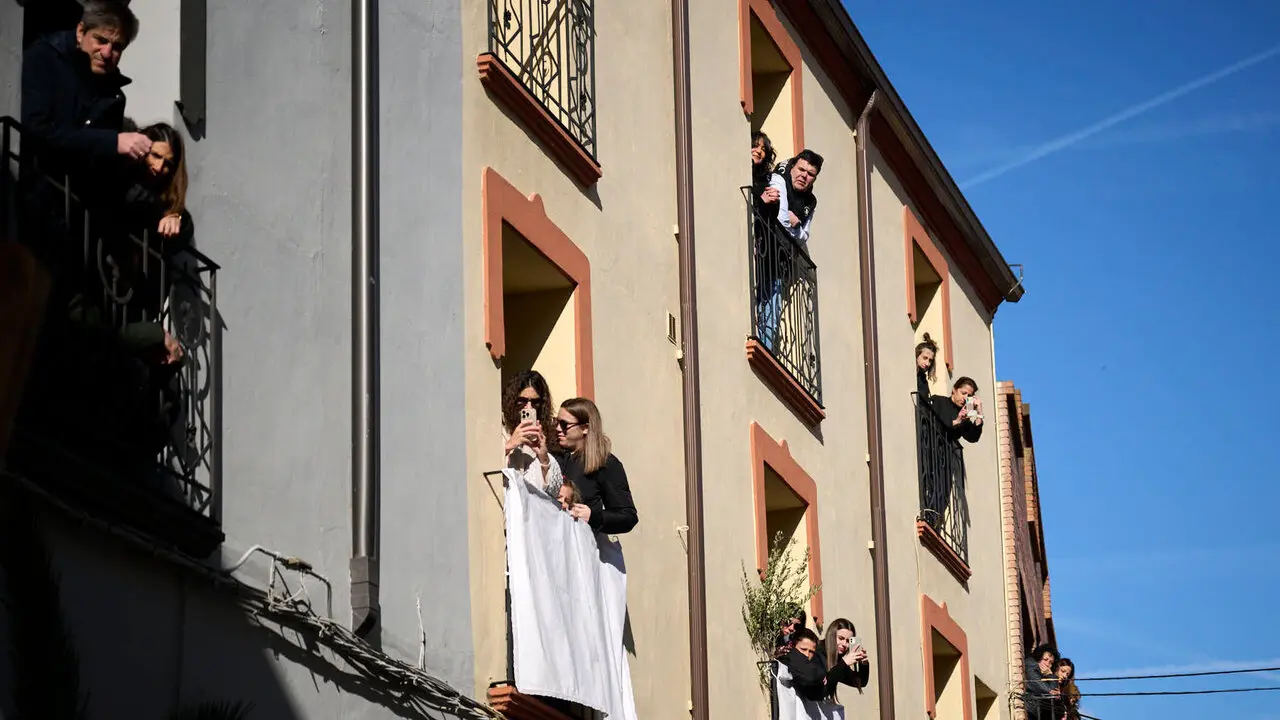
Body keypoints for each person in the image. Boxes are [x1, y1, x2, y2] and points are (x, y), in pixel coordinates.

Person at [21, 1, 148, 187]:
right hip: (35, 196)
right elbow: (38, 130)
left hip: (78, 207)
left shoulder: (114, 96)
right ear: (81, 32)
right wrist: (112, 142)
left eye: (117, 47)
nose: (106, 53)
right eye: (101, 40)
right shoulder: (45, 57)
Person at [554, 397, 638, 534]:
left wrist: (594, 516)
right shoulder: (557, 458)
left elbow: (628, 517)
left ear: (585, 428)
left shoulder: (605, 463)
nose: (558, 429)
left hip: (586, 546)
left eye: (564, 424)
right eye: (556, 422)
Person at [501, 371, 563, 495]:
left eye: (535, 403)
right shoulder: (495, 430)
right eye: (522, 401)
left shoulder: (545, 435)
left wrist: (544, 459)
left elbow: (554, 493)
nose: (529, 408)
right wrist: (508, 447)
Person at [765, 149, 823, 245]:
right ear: (792, 167)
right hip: (767, 244)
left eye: (810, 174)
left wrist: (796, 225)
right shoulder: (779, 178)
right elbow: (781, 221)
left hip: (786, 252)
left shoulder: (811, 201)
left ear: (814, 179)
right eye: (801, 169)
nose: (804, 175)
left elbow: (804, 237)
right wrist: (796, 231)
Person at [819, 618, 871, 704]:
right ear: (831, 635)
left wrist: (863, 664)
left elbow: (859, 682)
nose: (844, 644)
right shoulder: (817, 651)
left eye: (848, 641)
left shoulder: (838, 659)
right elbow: (822, 685)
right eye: (840, 638)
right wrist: (844, 663)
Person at [929, 377, 984, 444]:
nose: (965, 398)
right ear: (954, 390)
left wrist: (979, 414)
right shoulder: (938, 401)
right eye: (963, 393)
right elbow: (932, 425)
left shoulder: (964, 416)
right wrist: (957, 421)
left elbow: (973, 438)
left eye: (969, 396)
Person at [1024, 644, 1060, 720]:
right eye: (1045, 659)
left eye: (1051, 662)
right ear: (1039, 657)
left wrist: (1050, 676)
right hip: (1027, 710)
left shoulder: (1043, 674)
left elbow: (1053, 694)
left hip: (1034, 713)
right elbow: (1048, 691)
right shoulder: (1031, 666)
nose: (1047, 664)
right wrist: (1051, 676)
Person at [915, 333, 939, 401]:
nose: (927, 363)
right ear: (917, 355)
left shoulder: (923, 379)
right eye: (925, 358)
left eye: (930, 360)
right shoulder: (911, 375)